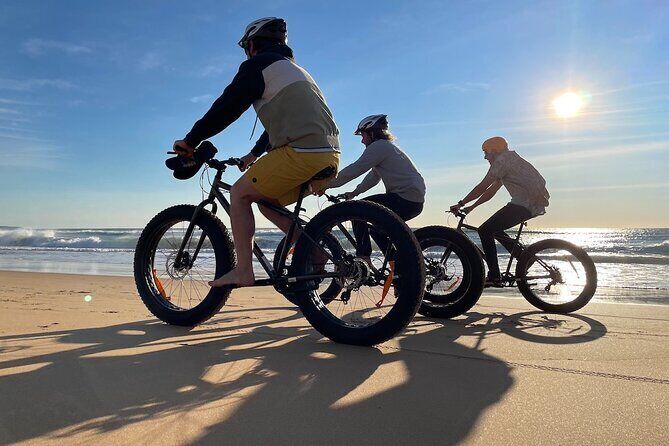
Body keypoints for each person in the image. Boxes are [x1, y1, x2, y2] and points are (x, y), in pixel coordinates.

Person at [172, 17, 340, 287]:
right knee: (267, 202)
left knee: (238, 194)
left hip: (301, 151)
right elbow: (282, 122)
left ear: (252, 45)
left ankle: (244, 272)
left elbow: (227, 107)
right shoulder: (292, 70)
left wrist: (192, 140)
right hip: (328, 154)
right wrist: (253, 156)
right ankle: (316, 251)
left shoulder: (258, 65)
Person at [450, 136, 549, 286]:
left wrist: (461, 203)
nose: (485, 157)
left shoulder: (502, 161)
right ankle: (524, 258)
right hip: (530, 203)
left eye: (486, 152)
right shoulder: (511, 160)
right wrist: (470, 208)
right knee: (493, 229)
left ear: (494, 150)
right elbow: (490, 192)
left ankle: (494, 275)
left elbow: (482, 187)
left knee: (484, 230)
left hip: (524, 203)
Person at [324, 114, 425, 261]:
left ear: (371, 133)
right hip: (413, 202)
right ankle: (395, 267)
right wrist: (354, 192)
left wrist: (325, 184)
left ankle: (363, 257)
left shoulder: (379, 147)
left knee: (357, 211)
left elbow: (355, 169)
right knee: (377, 231)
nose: (362, 140)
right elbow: (373, 177)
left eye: (363, 135)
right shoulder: (386, 148)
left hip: (404, 199)